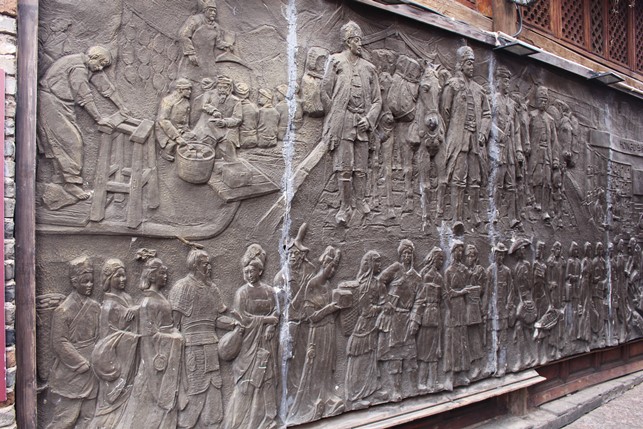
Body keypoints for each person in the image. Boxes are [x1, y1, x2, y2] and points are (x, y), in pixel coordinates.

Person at [38, 46, 129, 200]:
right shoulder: (78, 67)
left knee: (63, 141)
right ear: (93, 57)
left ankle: (61, 179)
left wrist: (122, 107)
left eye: (104, 66)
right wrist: (99, 119)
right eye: (101, 64)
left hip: (62, 104)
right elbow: (84, 96)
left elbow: (105, 87)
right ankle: (71, 184)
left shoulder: (89, 65)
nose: (101, 68)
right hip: (51, 102)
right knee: (71, 141)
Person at [321, 21, 382, 224]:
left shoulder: (369, 68)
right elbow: (325, 91)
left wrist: (369, 119)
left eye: (360, 40)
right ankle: (345, 207)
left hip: (362, 123)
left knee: (361, 168)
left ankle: (361, 200)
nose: (360, 44)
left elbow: (377, 101)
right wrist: (335, 115)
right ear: (348, 42)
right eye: (356, 40)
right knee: (345, 167)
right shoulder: (336, 61)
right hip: (344, 122)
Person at [117, 254, 183, 429]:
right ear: (152, 276)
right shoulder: (148, 302)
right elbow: (149, 337)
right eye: (162, 273)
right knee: (146, 405)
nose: (165, 276)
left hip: (167, 355)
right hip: (154, 361)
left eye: (165, 273)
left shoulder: (157, 298)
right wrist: (175, 338)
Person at [169, 249, 227, 429]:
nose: (209, 267)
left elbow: (216, 320)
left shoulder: (212, 288)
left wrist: (234, 324)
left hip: (212, 349)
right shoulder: (183, 287)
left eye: (209, 263)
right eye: (205, 264)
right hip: (192, 350)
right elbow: (173, 324)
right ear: (195, 266)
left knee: (214, 399)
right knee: (194, 394)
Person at [223, 244, 280, 429]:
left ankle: (267, 419)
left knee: (267, 379)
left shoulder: (269, 291)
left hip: (266, 342)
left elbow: (276, 311)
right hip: (248, 344)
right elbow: (244, 318)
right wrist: (266, 320)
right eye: (246, 271)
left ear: (260, 271)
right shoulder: (242, 293)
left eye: (252, 271)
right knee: (247, 383)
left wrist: (272, 325)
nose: (249, 274)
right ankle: (241, 423)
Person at [288, 246, 344, 424]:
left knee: (326, 363)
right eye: (331, 267)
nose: (333, 271)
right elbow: (311, 316)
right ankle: (313, 399)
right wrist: (331, 308)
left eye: (335, 268)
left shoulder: (328, 285)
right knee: (316, 365)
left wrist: (338, 307)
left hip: (329, 331)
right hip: (317, 332)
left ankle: (325, 395)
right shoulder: (312, 284)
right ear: (324, 264)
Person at [46, 256, 100, 429]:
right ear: (74, 282)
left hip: (92, 370)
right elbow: (59, 342)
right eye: (85, 281)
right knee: (66, 419)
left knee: (89, 417)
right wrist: (80, 363)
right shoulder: (63, 310)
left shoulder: (95, 307)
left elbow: (101, 334)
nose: (90, 285)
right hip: (72, 372)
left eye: (91, 281)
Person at [440, 46, 491, 225]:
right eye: (469, 63)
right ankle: (457, 219)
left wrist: (483, 133)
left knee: (475, 178)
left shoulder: (479, 90)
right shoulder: (452, 85)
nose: (472, 67)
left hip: (475, 141)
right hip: (458, 139)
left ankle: (474, 214)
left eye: (473, 63)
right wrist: (448, 136)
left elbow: (487, 114)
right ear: (461, 64)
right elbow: (444, 112)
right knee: (459, 178)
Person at [90, 259, 137, 429]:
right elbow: (106, 340)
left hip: (131, 362)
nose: (123, 279)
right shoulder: (108, 306)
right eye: (118, 276)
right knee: (110, 407)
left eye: (124, 275)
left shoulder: (127, 298)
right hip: (115, 364)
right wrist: (126, 330)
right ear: (109, 278)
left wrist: (136, 313)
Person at [377, 239, 423, 400]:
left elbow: (419, 300)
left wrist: (415, 320)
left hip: (407, 319)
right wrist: (385, 301)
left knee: (410, 356)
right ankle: (396, 390)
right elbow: (380, 281)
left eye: (409, 253)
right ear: (400, 254)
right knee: (394, 357)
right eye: (404, 253)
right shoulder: (396, 268)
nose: (407, 256)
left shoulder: (417, 277)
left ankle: (413, 387)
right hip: (394, 318)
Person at [273, 224, 316, 396]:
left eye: (296, 254)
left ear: (302, 257)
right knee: (288, 359)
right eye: (290, 253)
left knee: (303, 358)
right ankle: (287, 394)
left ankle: (301, 393)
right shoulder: (281, 277)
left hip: (304, 323)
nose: (292, 256)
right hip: (289, 325)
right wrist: (305, 284)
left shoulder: (306, 273)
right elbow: (291, 306)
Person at [344, 250, 386, 409]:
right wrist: (380, 308)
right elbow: (365, 309)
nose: (380, 265)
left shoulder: (378, 283)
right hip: (364, 326)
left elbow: (383, 300)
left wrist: (384, 305)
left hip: (373, 326)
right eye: (377, 262)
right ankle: (355, 397)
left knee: (371, 358)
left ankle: (371, 390)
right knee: (360, 360)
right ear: (370, 264)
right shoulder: (363, 285)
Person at [490, 66, 523, 226]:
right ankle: (494, 212)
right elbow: (487, 120)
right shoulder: (493, 99)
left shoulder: (512, 104)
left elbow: (516, 130)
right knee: (498, 181)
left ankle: (512, 218)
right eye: (504, 81)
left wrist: (519, 150)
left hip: (510, 148)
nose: (507, 84)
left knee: (511, 184)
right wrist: (498, 133)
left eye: (509, 81)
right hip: (497, 146)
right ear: (497, 81)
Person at [178, 0, 232, 83]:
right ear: (204, 10)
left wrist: (227, 45)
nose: (213, 13)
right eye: (211, 10)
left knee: (209, 81)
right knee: (189, 80)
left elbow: (218, 42)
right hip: (195, 57)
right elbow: (183, 35)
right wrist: (190, 53)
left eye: (215, 11)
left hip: (209, 59)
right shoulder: (195, 20)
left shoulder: (216, 26)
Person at [443, 240, 473, 387]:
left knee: (462, 339)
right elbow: (447, 293)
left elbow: (470, 288)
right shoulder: (448, 271)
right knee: (452, 341)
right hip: (452, 308)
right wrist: (461, 293)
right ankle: (451, 374)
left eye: (462, 251)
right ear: (453, 252)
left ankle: (462, 373)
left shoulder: (465, 270)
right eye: (458, 250)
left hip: (463, 307)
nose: (460, 253)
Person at [191, 75, 241, 161]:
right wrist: (214, 111)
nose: (222, 90)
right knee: (202, 152)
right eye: (219, 87)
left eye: (225, 87)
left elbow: (237, 119)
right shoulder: (209, 94)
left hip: (226, 130)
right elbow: (204, 105)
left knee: (230, 156)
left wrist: (225, 122)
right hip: (207, 128)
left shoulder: (235, 101)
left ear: (230, 88)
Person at [529, 86, 559, 221]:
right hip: (535, 153)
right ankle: (536, 202)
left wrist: (556, 159)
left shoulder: (550, 120)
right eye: (540, 100)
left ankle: (545, 209)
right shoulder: (532, 116)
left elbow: (554, 142)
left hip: (547, 153)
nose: (543, 102)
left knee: (547, 180)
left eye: (545, 100)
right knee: (537, 178)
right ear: (536, 100)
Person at [417, 247, 445, 393]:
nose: (442, 262)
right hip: (426, 315)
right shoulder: (425, 275)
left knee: (434, 351)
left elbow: (443, 297)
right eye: (440, 259)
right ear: (434, 259)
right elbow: (419, 296)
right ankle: (422, 382)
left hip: (436, 314)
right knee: (425, 351)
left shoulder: (439, 277)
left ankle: (433, 382)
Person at [485, 242, 512, 377]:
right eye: (498, 254)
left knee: (503, 339)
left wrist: (508, 305)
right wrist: (486, 309)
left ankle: (502, 366)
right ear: (494, 255)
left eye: (502, 255)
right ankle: (492, 366)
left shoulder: (507, 271)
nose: (500, 257)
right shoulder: (490, 270)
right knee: (492, 340)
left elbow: (511, 290)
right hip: (492, 311)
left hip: (503, 311)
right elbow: (487, 291)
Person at [156, 78, 194, 162]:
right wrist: (177, 137)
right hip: (165, 129)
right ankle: (165, 151)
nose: (190, 92)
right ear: (180, 90)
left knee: (193, 138)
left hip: (179, 129)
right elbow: (163, 120)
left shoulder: (186, 102)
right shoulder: (167, 101)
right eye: (187, 89)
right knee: (173, 143)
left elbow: (185, 121)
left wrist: (185, 130)